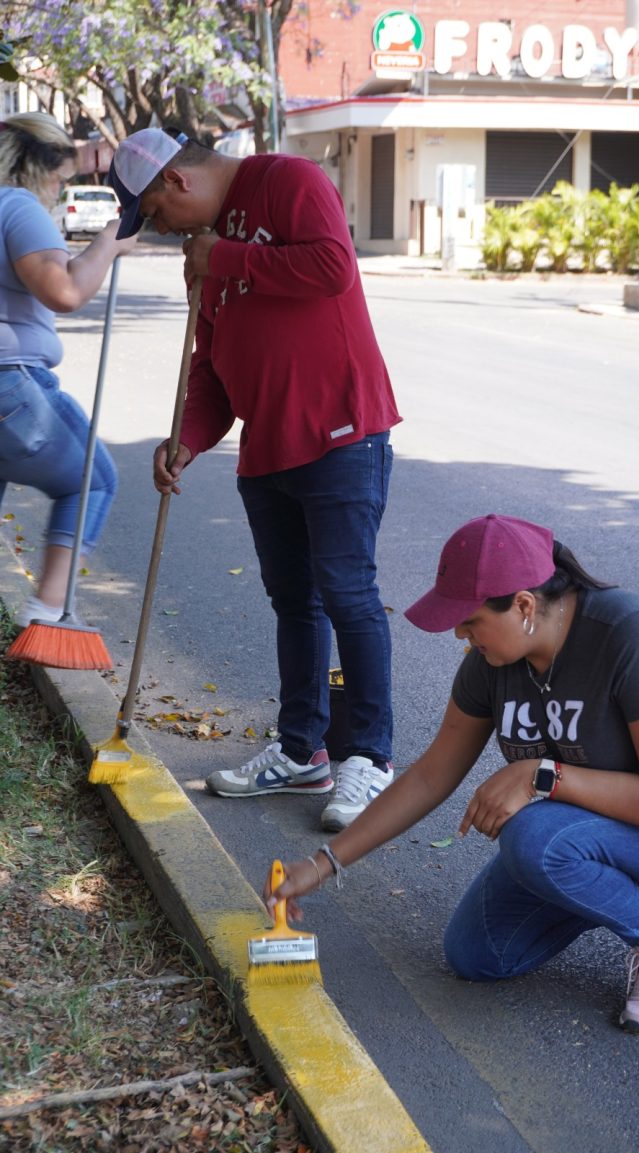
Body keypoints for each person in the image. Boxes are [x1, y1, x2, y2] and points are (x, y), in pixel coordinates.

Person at [267, 514, 639, 1034]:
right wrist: (322, 863)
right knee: (478, 953)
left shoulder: (632, 635)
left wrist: (542, 776)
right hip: (602, 820)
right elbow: (430, 776)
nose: (460, 634)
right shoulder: (491, 664)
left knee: (534, 838)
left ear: (524, 605)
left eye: (470, 620)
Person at [108, 128, 401, 831]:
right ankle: (302, 751)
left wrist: (225, 256)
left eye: (154, 213)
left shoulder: (288, 181)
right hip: (267, 451)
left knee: (348, 594)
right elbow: (211, 369)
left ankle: (370, 758)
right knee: (295, 603)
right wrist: (187, 438)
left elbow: (332, 266)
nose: (160, 229)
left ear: (176, 181)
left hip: (340, 435)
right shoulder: (202, 254)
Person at [0, 112, 135, 627]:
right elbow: (65, 291)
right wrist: (111, 241)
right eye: (59, 180)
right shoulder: (18, 206)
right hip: (11, 384)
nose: (58, 192)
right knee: (91, 481)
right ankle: (47, 613)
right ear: (35, 167)